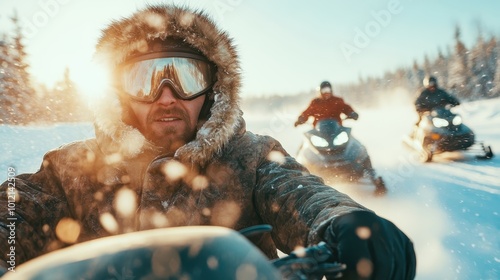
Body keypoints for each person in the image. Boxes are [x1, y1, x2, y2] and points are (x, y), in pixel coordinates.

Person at [0, 4, 416, 279]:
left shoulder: (251, 156)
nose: (166, 95)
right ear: (118, 94)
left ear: (213, 89)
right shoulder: (73, 168)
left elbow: (300, 193)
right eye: (144, 80)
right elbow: (16, 212)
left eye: (186, 78)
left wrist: (342, 221)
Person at [294, 81, 359, 127]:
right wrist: (301, 119)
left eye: (327, 90)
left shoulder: (337, 100)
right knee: (306, 144)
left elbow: (346, 108)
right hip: (318, 131)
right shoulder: (315, 102)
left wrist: (352, 113)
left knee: (353, 143)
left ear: (331, 90)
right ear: (320, 91)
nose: (326, 92)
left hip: (337, 130)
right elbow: (307, 112)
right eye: (324, 90)